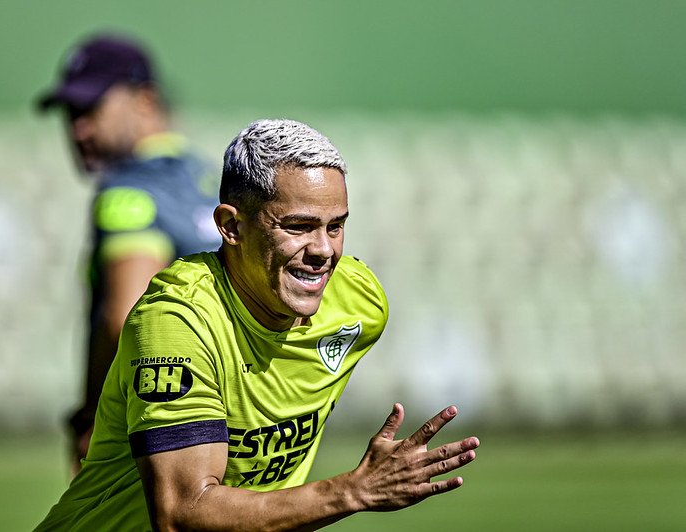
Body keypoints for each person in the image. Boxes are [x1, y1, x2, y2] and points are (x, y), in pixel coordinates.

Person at [35, 119, 479, 531]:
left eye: (336, 226)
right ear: (231, 226)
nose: (323, 250)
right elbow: (182, 514)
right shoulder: (177, 321)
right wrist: (354, 491)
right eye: (299, 226)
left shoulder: (359, 303)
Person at [35, 33, 221, 475]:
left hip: (149, 433)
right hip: (231, 425)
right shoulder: (210, 182)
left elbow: (125, 319)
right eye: (69, 114)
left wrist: (93, 417)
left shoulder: (128, 192)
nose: (77, 130)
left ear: (145, 101)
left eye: (90, 109)